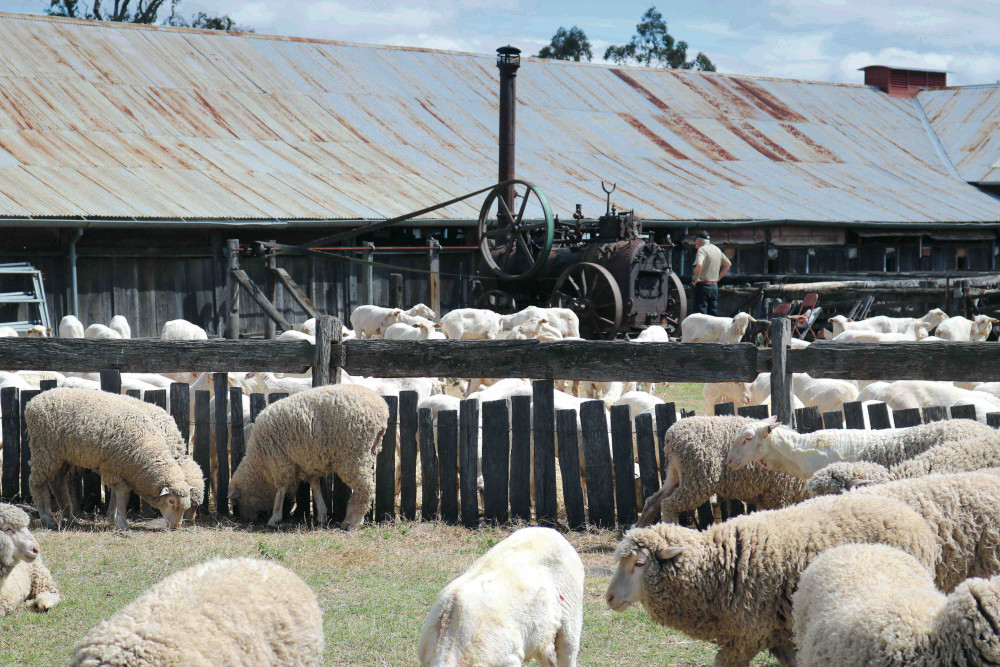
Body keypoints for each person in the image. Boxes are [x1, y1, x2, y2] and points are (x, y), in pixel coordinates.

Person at [691, 230, 730, 316]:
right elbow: (728, 264)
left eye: (696, 241)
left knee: (700, 316)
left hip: (703, 286)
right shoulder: (717, 249)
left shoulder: (702, 250)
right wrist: (718, 279)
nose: (695, 243)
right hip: (714, 287)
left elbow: (699, 264)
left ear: (699, 241)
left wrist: (697, 278)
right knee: (712, 315)